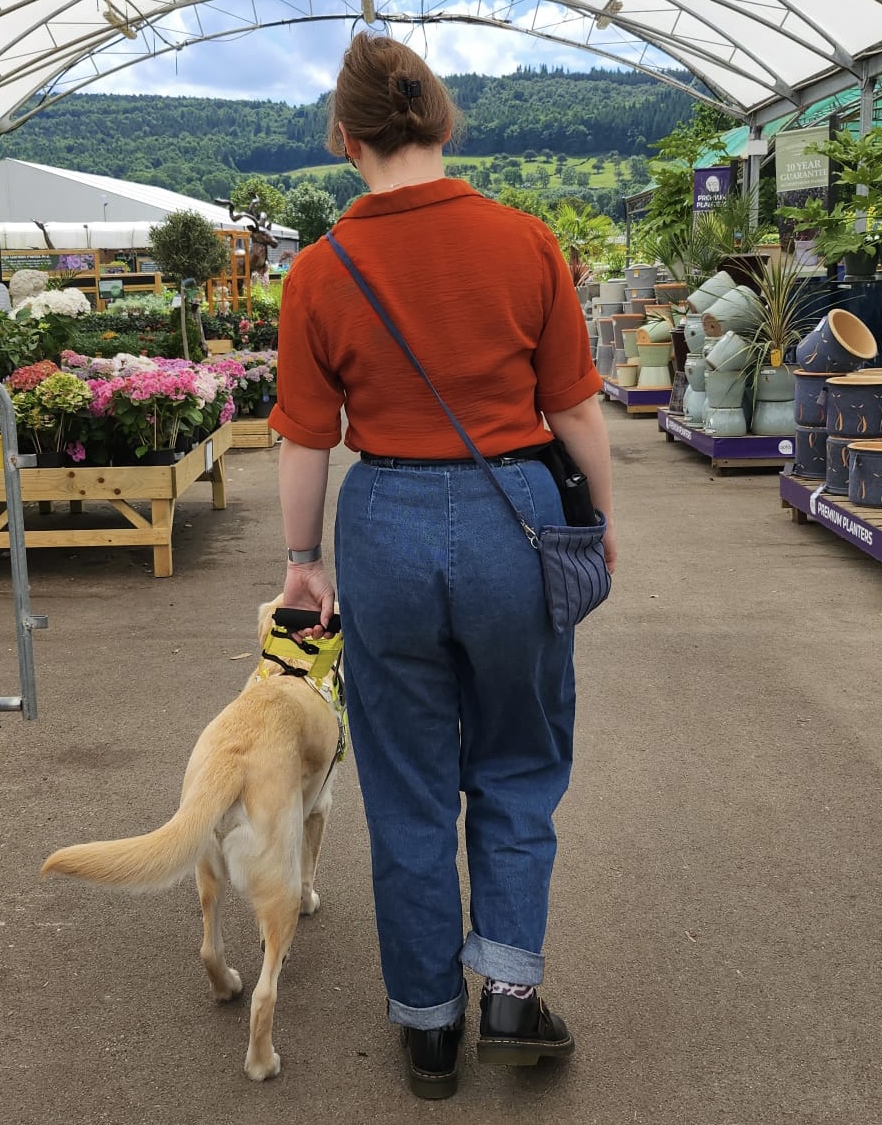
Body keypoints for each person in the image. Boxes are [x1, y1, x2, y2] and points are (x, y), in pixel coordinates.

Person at [270, 33, 616, 1101]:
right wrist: (598, 519)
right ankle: (510, 994)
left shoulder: (322, 271)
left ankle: (427, 1029)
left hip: (382, 520)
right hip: (514, 512)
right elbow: (574, 405)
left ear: (344, 137)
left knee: (408, 782)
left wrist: (301, 562)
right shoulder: (525, 242)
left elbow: (302, 434)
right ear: (443, 120)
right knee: (516, 759)